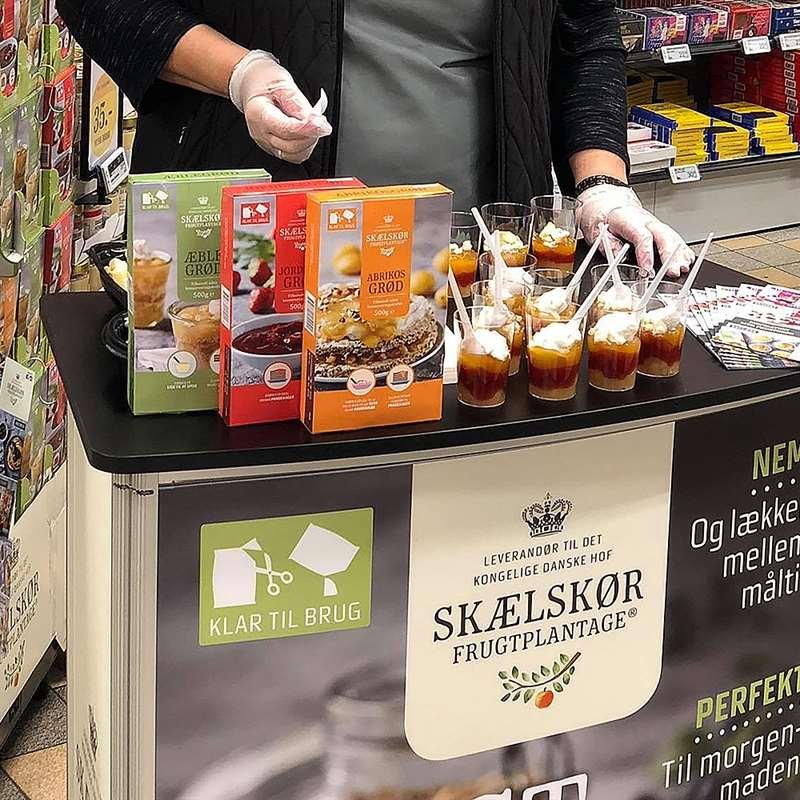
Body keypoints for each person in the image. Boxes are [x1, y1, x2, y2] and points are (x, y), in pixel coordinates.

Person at [58, 0, 694, 274]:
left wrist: (603, 186)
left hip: (471, 262)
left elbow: (582, 35)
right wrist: (240, 73)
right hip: (254, 258)